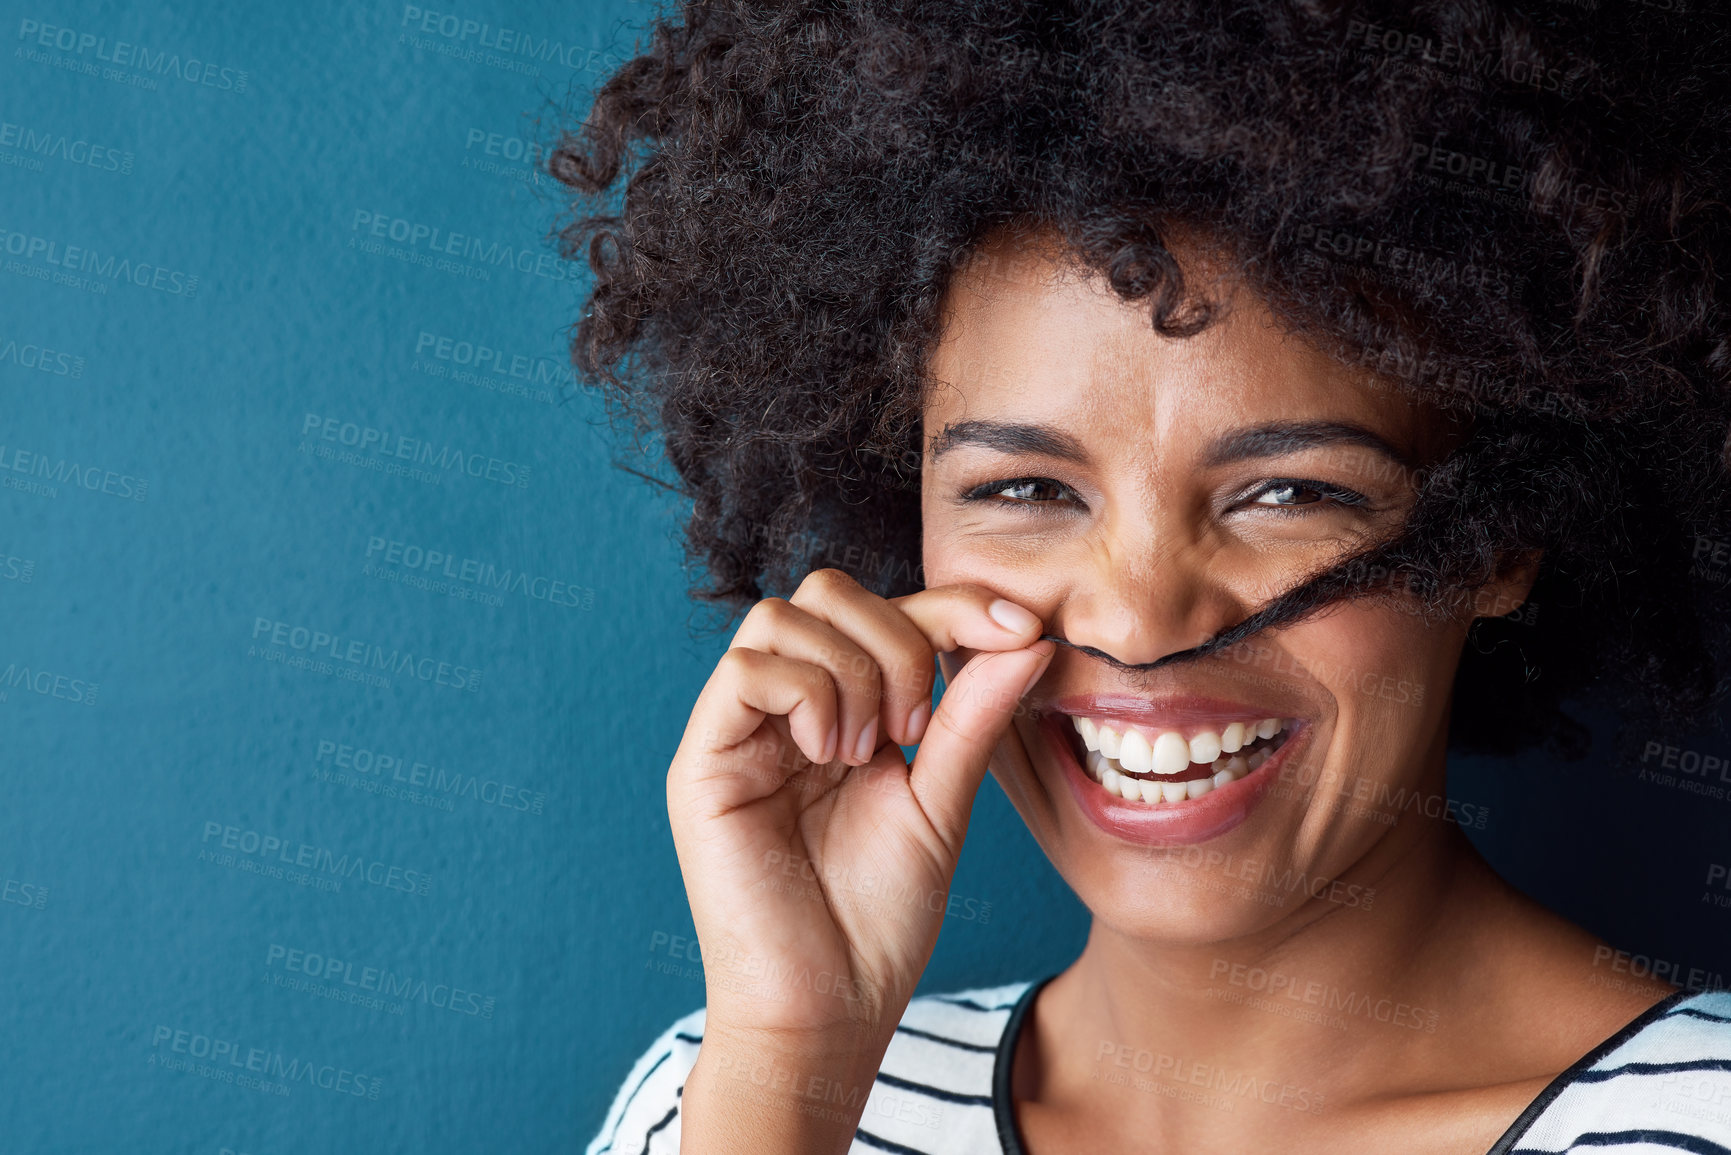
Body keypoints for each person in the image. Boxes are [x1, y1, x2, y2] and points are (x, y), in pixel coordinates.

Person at [553, 1, 1731, 1151]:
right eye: (1026, 491)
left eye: (1289, 494)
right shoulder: (722, 1100)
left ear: (1502, 535)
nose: (1138, 620)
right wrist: (789, 1067)